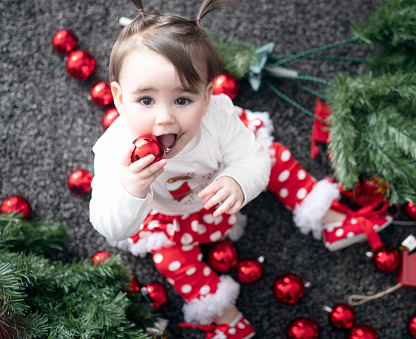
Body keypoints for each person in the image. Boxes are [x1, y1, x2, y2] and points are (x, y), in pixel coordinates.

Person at [89, 0, 392, 338]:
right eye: (146, 100)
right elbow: (109, 225)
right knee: (169, 258)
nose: (165, 118)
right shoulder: (114, 151)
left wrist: (239, 179)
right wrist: (132, 190)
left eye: (183, 100)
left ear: (206, 97)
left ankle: (329, 220)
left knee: (273, 156)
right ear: (118, 98)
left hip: (221, 190)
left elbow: (253, 159)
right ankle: (226, 317)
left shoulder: (217, 118)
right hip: (168, 217)